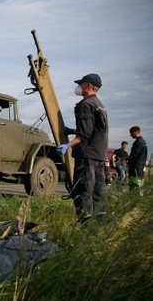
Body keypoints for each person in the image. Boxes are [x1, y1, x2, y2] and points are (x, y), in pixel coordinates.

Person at [57, 73, 109, 223]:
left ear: (89, 86)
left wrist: (68, 144)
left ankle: (85, 222)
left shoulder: (85, 105)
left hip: (87, 153)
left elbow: (84, 135)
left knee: (84, 188)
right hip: (99, 153)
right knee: (99, 190)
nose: (79, 86)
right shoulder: (99, 104)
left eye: (82, 83)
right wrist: (73, 131)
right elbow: (96, 129)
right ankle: (101, 223)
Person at [125, 126, 147, 196]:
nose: (130, 135)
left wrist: (123, 158)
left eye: (131, 133)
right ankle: (135, 197)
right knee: (137, 182)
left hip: (136, 166)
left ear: (134, 132)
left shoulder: (138, 142)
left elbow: (133, 155)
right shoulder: (142, 141)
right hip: (139, 165)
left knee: (135, 182)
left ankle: (136, 198)